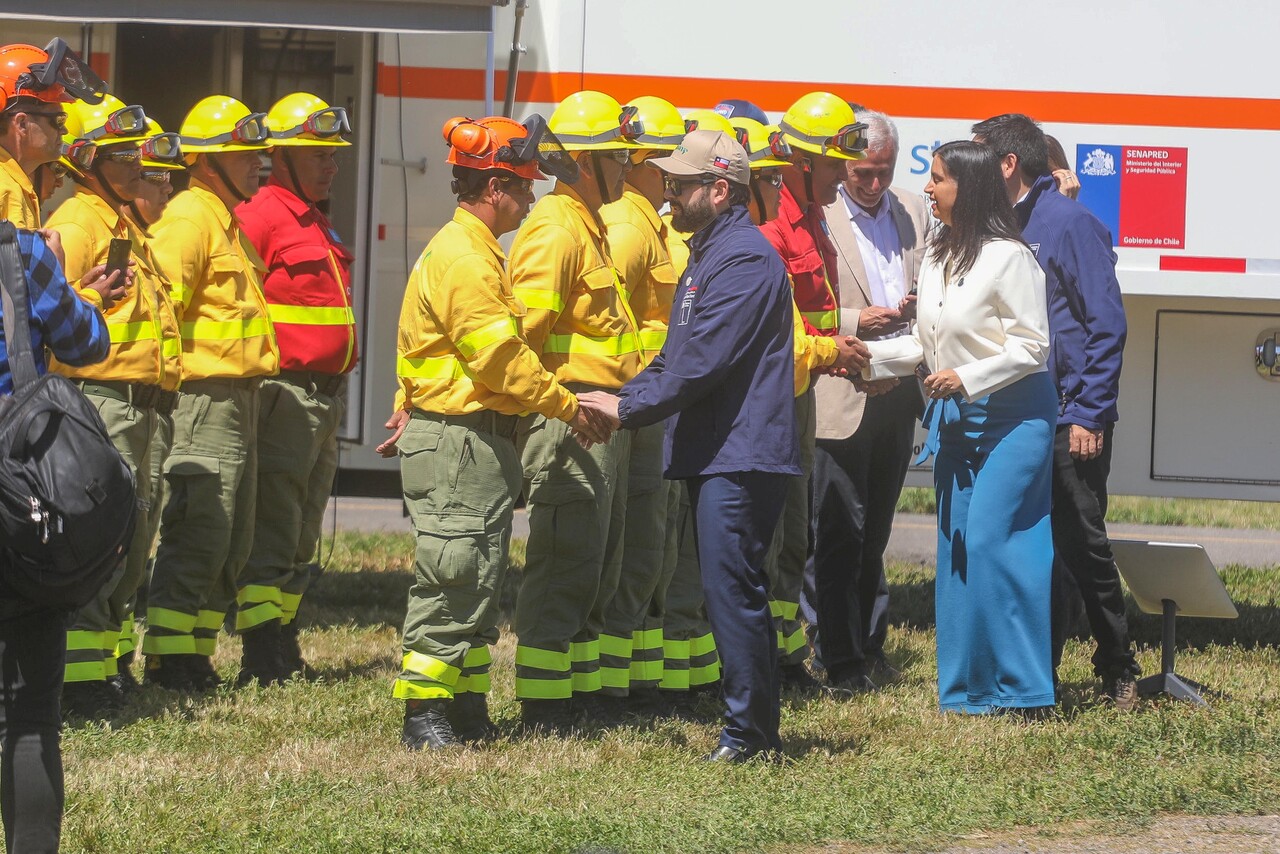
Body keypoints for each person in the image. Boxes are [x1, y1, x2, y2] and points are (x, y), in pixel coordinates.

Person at [377, 114, 605, 749]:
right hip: (459, 440)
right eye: (525, 185)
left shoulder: (477, 253)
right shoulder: (466, 260)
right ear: (495, 186)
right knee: (454, 572)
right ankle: (424, 711)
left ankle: (465, 704)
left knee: (478, 575)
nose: (532, 197)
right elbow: (500, 360)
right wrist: (566, 406)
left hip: (475, 439)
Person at [579, 129, 804, 761]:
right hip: (722, 451)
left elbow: (703, 362)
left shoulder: (744, 261)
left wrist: (626, 410)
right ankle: (753, 730)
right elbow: (673, 357)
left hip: (741, 455)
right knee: (730, 590)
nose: (668, 195)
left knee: (733, 594)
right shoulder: (710, 255)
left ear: (720, 190)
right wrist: (619, 399)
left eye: (680, 186)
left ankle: (749, 736)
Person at [861, 140, 1056, 714]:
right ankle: (969, 691)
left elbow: (1033, 346)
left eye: (939, 179)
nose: (927, 187)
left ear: (967, 188)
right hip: (959, 419)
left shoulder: (1010, 258)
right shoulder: (939, 255)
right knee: (958, 548)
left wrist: (966, 378)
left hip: (1015, 418)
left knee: (994, 542)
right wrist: (863, 360)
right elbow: (927, 346)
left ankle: (1020, 690)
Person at [972, 114, 1138, 708]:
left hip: (1070, 416)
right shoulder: (994, 228)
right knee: (1023, 545)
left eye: (981, 157)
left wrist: (1089, 412)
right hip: (1014, 414)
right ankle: (1033, 673)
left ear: (1008, 164)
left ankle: (1117, 665)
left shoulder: (1069, 224)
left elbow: (1106, 324)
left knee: (1081, 544)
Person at [507, 90, 644, 729]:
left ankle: (578, 695)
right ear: (585, 161)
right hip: (569, 423)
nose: (629, 167)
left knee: (597, 566)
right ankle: (543, 704)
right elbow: (521, 340)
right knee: (565, 563)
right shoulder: (556, 229)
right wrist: (558, 409)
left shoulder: (589, 225)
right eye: (619, 156)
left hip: (598, 419)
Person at [46, 96, 181, 718]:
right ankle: (79, 683)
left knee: (132, 540)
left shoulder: (122, 225)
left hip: (143, 406)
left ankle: (106, 665)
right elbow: (50, 321)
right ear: (83, 159)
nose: (136, 164)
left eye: (135, 152)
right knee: (98, 540)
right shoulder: (78, 226)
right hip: (102, 402)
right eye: (120, 153)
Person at [144, 95, 278, 690]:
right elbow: (160, 314)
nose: (258, 163)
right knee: (200, 528)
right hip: (203, 400)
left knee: (231, 536)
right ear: (204, 161)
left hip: (238, 399)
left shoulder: (225, 222)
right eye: (244, 154)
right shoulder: (188, 221)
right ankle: (169, 659)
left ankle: (195, 653)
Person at [235, 93, 359, 683]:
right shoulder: (258, 216)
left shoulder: (313, 218)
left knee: (305, 525)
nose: (331, 165)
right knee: (275, 523)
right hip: (285, 393)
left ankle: (283, 640)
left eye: (333, 155)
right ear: (279, 156)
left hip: (324, 397)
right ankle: (261, 653)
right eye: (318, 155)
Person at [0, 224, 110, 854]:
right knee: (29, 717)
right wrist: (65, 280)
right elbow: (86, 341)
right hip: (18, 499)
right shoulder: (20, 251)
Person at [810, 108, 928, 692]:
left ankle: (869, 644)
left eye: (884, 170)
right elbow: (801, 302)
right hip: (840, 387)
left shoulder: (913, 208)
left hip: (898, 387)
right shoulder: (821, 211)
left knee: (876, 529)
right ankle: (836, 655)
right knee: (837, 528)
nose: (875, 183)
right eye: (863, 173)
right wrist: (859, 320)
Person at [759, 92, 869, 689]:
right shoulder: (771, 223)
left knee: (793, 534)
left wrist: (849, 361)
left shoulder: (813, 213)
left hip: (801, 389)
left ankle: (784, 654)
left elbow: (816, 316)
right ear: (800, 163)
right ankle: (759, 657)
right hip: (770, 399)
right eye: (833, 164)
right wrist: (836, 355)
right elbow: (778, 328)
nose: (843, 175)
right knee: (771, 532)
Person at [597, 95, 685, 714]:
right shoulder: (628, 229)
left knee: (653, 548)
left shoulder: (650, 222)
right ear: (643, 161)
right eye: (670, 158)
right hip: (633, 408)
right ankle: (612, 682)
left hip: (653, 406)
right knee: (632, 549)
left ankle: (636, 679)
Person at [0, 38, 106, 228]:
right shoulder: (6, 191)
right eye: (58, 120)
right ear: (22, 124)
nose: (64, 130)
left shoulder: (13, 185)